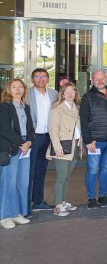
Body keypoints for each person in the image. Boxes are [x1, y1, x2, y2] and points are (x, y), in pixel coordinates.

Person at [80, 70, 107, 209]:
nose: (100, 81)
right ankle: (91, 198)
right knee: (92, 169)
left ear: (106, 78)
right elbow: (83, 121)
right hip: (94, 142)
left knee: (106, 169)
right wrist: (88, 140)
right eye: (96, 79)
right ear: (92, 80)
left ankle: (103, 196)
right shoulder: (87, 97)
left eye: (102, 78)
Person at [0, 79, 33, 229]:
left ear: (24, 90)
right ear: (8, 90)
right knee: (9, 183)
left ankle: (17, 213)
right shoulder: (4, 107)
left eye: (20, 87)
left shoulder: (25, 107)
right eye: (14, 87)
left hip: (25, 147)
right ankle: (5, 216)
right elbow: (5, 129)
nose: (17, 90)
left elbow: (31, 128)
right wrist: (21, 143)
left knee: (22, 182)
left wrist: (29, 142)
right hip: (12, 147)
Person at [46, 82, 82, 217]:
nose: (70, 94)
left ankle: (64, 201)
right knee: (61, 176)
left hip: (75, 146)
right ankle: (58, 205)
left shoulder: (76, 107)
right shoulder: (57, 109)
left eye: (72, 91)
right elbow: (53, 130)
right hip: (62, 147)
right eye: (67, 92)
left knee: (67, 176)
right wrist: (57, 147)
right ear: (62, 94)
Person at [28, 68, 58, 212]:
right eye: (37, 76)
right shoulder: (26, 94)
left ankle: (38, 201)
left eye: (43, 76)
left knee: (41, 171)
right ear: (32, 79)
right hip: (32, 138)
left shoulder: (54, 93)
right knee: (29, 171)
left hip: (47, 137)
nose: (40, 79)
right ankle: (25, 203)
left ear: (48, 79)